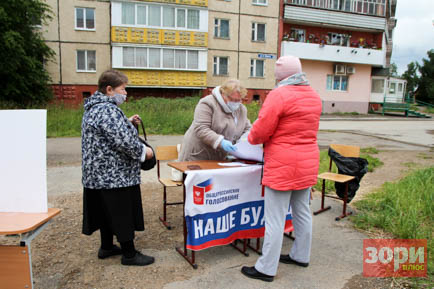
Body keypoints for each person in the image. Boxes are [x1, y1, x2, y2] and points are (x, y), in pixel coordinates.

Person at [241, 56, 322, 282]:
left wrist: (251, 138)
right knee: (302, 211)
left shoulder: (279, 95)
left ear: (281, 75)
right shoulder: (314, 96)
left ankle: (266, 268)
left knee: (275, 218)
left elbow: (260, 132)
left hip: (283, 164)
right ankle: (300, 255)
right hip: (307, 162)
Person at [81, 69, 154, 266]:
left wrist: (127, 121)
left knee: (106, 211)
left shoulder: (95, 107)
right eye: (123, 89)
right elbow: (124, 142)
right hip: (114, 175)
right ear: (109, 89)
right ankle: (129, 254)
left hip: (99, 175)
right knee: (122, 213)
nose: (126, 92)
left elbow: (108, 132)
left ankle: (106, 247)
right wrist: (145, 152)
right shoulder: (107, 110)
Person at [178, 79, 251, 161]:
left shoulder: (241, 109)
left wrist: (244, 141)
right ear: (223, 94)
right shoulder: (207, 103)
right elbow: (201, 129)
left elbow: (247, 128)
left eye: (238, 100)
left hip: (221, 158)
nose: (235, 103)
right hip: (198, 156)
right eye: (232, 99)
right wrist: (221, 142)